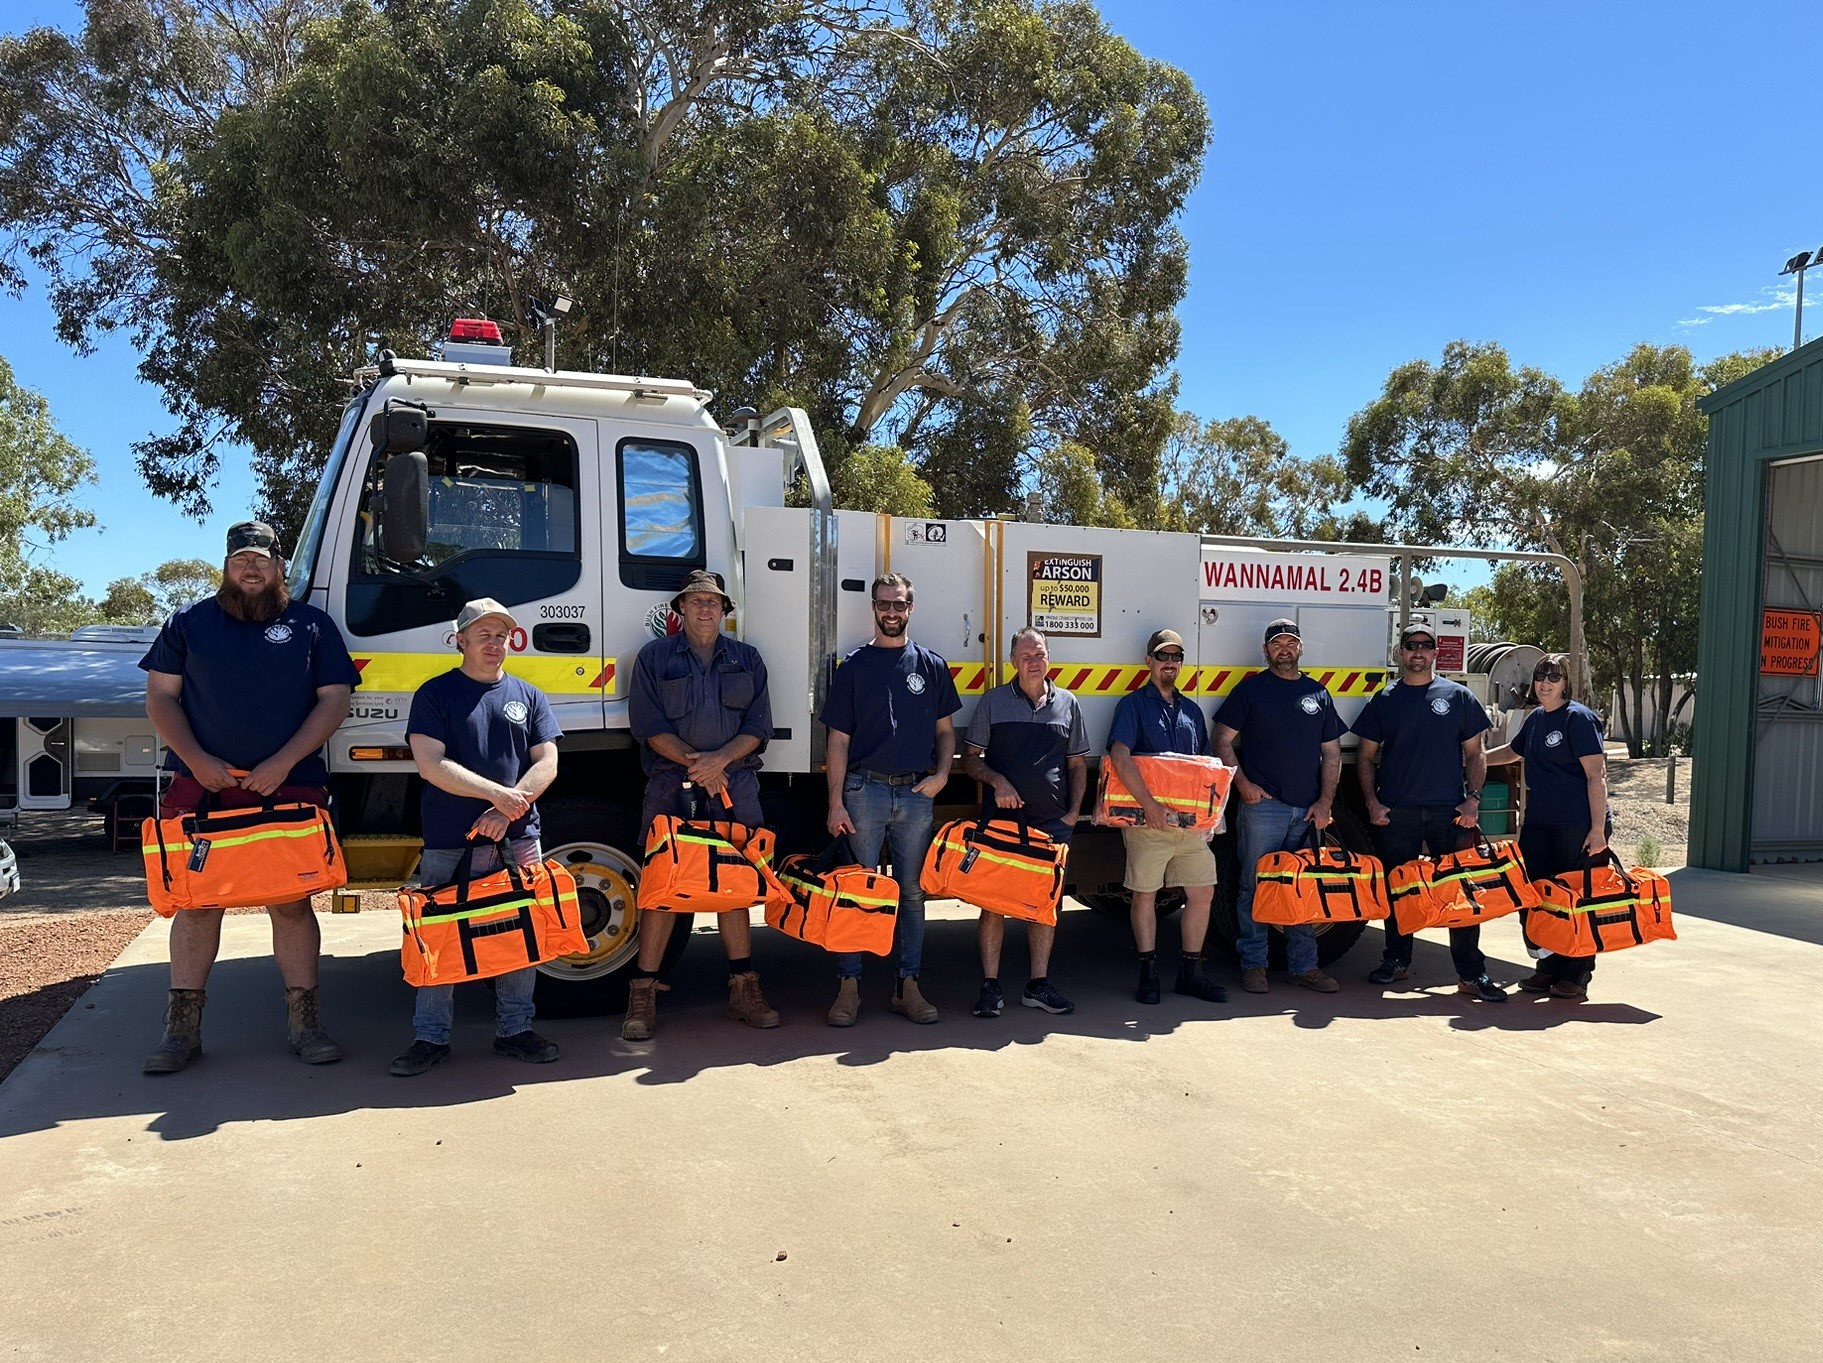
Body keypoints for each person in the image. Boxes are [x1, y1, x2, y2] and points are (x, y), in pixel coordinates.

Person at [138, 520, 360, 1074]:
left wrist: (281, 762)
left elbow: (334, 701)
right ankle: (180, 1033)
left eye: (261, 559)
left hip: (291, 784)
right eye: (241, 560)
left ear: (280, 564)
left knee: (291, 901)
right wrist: (197, 761)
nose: (251, 568)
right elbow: (161, 699)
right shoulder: (188, 623)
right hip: (200, 788)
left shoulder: (312, 625)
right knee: (196, 903)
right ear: (227, 565)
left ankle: (305, 1024)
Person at [392, 598, 565, 1075]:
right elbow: (430, 765)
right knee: (439, 935)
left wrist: (510, 807)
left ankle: (516, 1031)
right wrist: (500, 799)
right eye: (484, 635)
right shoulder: (435, 694)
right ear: (460, 640)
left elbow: (547, 761)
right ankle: (430, 1038)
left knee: (520, 933)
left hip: (519, 836)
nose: (495, 644)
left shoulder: (529, 695)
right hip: (451, 837)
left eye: (502, 635)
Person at [623, 569, 781, 1041]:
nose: (705, 609)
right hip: (673, 785)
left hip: (735, 785)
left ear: (724, 611)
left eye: (713, 602)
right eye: (696, 602)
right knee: (663, 887)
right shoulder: (653, 659)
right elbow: (648, 727)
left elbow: (759, 726)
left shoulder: (748, 659)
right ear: (681, 610)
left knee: (734, 886)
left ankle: (744, 991)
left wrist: (720, 762)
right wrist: (700, 766)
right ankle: (644, 996)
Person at [821, 572, 960, 1027]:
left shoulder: (932, 666)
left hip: (917, 795)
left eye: (899, 604)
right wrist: (836, 802)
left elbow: (945, 732)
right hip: (864, 792)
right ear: (874, 608)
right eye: (885, 604)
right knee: (856, 891)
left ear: (911, 608)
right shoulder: (854, 667)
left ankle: (908, 986)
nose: (892, 612)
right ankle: (849, 986)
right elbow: (838, 740)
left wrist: (942, 775)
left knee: (913, 893)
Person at [1353, 621, 1505, 1001]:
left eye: (1426, 645)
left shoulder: (1458, 697)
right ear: (1400, 653)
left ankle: (1471, 972)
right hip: (1397, 812)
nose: (1418, 652)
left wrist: (1473, 799)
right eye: (1411, 645)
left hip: (1449, 813)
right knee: (1398, 891)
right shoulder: (1384, 700)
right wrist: (1372, 802)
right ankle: (1397, 961)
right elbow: (1366, 757)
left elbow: (1476, 753)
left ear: (1436, 652)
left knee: (1461, 891)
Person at [1211, 618, 1345, 995]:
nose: (1284, 649)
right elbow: (1221, 741)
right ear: (1266, 650)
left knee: (1301, 887)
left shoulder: (1317, 694)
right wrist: (1244, 786)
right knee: (1253, 887)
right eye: (1277, 644)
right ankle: (1255, 964)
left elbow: (1332, 753)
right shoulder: (1251, 691)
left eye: (1291, 643)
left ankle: (1304, 966)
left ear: (1300, 648)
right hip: (1263, 809)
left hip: (1307, 812)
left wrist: (1325, 802)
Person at [960, 628, 1088, 1018]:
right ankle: (990, 987)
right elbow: (970, 758)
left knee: (1044, 905)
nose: (1034, 661)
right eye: (1026, 655)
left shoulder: (1068, 703)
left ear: (1049, 658)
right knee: (993, 903)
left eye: (1040, 654)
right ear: (1012, 662)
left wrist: (1072, 812)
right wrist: (998, 781)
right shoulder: (994, 702)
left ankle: (1038, 985)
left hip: (1052, 824)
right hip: (1002, 823)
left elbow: (1078, 764)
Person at [1105, 628, 1227, 1005]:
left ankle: (1191, 973)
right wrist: (1150, 806)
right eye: (1163, 656)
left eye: (1176, 657)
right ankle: (1149, 974)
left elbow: (1209, 767)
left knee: (1203, 892)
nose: (1170, 663)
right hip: (1148, 823)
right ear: (1149, 662)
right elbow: (1120, 756)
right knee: (1145, 895)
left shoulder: (1192, 711)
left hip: (1190, 829)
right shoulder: (1132, 706)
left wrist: (1213, 818)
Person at [1483, 654, 1608, 1000]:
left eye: (1553, 676)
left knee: (1573, 898)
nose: (1545, 682)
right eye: (1540, 675)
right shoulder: (1537, 719)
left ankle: (1576, 973)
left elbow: (1596, 775)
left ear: (1565, 682)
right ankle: (1547, 967)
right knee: (1538, 896)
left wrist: (1597, 830)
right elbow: (1513, 751)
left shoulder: (1579, 719)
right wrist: (1476, 759)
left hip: (1576, 824)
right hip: (1539, 824)